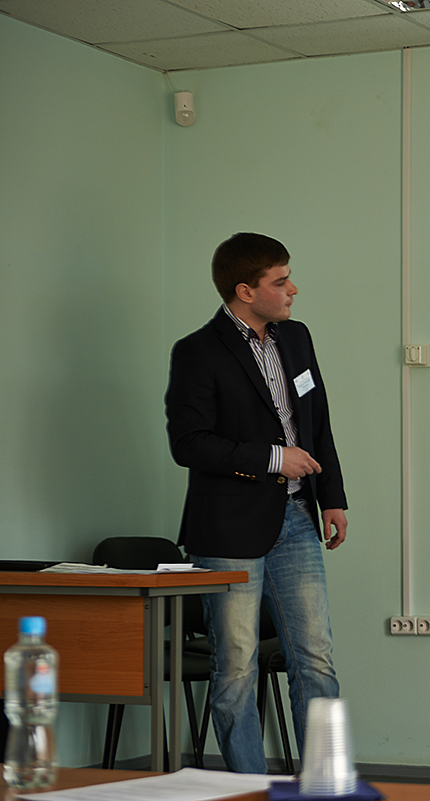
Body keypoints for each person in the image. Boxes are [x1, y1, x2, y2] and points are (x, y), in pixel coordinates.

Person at [165, 232, 348, 773]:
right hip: (227, 528)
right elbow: (188, 444)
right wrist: (273, 458)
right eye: (280, 281)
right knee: (236, 667)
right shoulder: (197, 351)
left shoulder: (297, 338)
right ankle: (248, 786)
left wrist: (332, 498)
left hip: (298, 517)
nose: (293, 289)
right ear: (245, 291)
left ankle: (323, 780)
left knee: (315, 660)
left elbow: (317, 424)